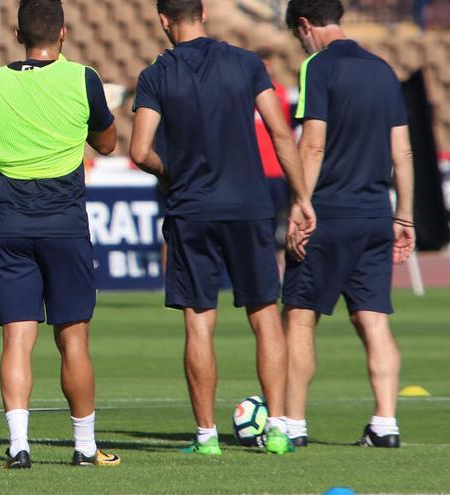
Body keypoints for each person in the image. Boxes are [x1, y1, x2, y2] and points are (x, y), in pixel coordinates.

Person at [129, 0, 315, 455]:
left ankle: (207, 436)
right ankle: (276, 430)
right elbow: (278, 132)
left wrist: (169, 173)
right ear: (204, 14)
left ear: (163, 20)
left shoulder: (156, 74)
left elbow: (139, 151)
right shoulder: (246, 63)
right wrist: (302, 198)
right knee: (265, 318)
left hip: (191, 209)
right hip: (248, 206)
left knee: (199, 323)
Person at [0, 0, 120, 469]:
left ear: (17, 35)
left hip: (11, 223)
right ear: (64, 33)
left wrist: (1, 196)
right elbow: (108, 143)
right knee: (73, 339)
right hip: (66, 225)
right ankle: (85, 447)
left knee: (17, 338)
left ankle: (17, 445)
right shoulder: (83, 78)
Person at [282, 0, 415, 448]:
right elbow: (403, 152)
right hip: (377, 214)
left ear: (304, 25)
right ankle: (385, 423)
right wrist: (405, 215)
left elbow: (313, 146)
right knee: (373, 320)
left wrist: (300, 206)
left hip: (330, 213)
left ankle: (293, 425)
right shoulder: (383, 70)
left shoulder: (317, 67)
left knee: (300, 318)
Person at [255, 48, 296, 277]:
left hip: (277, 171)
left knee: (280, 226)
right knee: (261, 226)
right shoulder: (243, 96)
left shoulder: (283, 95)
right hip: (253, 173)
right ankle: (265, 272)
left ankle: (281, 272)